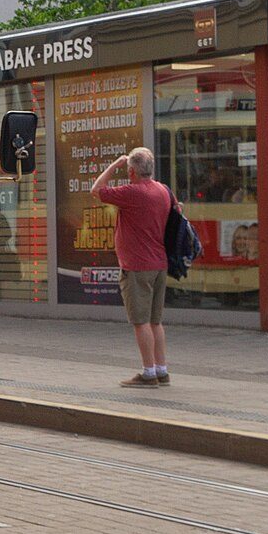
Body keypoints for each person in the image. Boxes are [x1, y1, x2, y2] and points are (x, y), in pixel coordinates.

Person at [91, 147, 172, 388]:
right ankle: (162, 370)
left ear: (131, 172)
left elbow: (96, 190)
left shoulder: (133, 192)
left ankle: (148, 373)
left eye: (127, 170)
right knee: (155, 321)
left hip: (137, 266)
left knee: (141, 322)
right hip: (159, 263)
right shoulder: (163, 191)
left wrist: (115, 165)